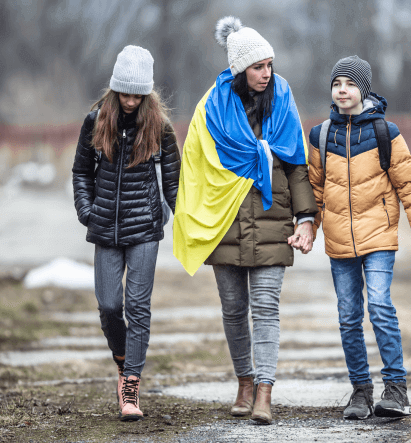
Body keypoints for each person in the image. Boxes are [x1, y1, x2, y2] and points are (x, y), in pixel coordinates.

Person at [172, 16, 317, 425]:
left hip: (273, 220)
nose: (267, 74)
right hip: (225, 220)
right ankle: (244, 382)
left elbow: (296, 164)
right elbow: (195, 165)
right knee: (234, 309)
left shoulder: (283, 99)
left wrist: (305, 218)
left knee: (266, 308)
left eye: (270, 65)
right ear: (239, 69)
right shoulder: (211, 108)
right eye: (258, 67)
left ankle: (265, 392)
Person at [308, 55, 411, 420]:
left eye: (350, 84)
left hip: (379, 237)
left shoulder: (385, 133)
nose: (342, 90)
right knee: (348, 315)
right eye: (336, 84)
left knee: (379, 306)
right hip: (339, 240)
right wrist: (306, 228)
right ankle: (360, 392)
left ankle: (396, 388)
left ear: (364, 89)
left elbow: (408, 184)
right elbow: (312, 188)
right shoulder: (320, 135)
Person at [72, 45, 180, 421]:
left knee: (138, 307)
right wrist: (86, 211)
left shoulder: (160, 127)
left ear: (147, 92)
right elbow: (81, 171)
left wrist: (178, 217)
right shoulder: (95, 121)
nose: (132, 100)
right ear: (116, 89)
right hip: (104, 228)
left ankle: (131, 386)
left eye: (139, 94)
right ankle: (122, 359)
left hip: (145, 229)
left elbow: (173, 180)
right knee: (108, 306)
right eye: (126, 93)